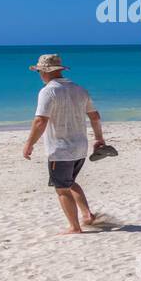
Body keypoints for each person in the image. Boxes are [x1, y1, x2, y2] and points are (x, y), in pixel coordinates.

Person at [22, 54, 108, 235]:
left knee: (61, 189)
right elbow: (95, 116)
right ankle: (87, 215)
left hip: (60, 150)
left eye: (39, 71)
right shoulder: (79, 89)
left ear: (45, 72)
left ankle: (74, 227)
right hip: (80, 148)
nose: (39, 75)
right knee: (70, 182)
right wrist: (99, 139)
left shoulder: (48, 91)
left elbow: (40, 121)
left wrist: (29, 144)